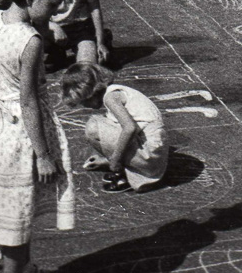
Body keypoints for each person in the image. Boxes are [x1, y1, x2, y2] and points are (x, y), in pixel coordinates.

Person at [0, 0, 75, 273]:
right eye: (54, 5)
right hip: (21, 135)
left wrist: (44, 24)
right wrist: (43, 155)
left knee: (12, 213)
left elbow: (17, 34)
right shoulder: (31, 42)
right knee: (18, 221)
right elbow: (28, 101)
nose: (58, 12)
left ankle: (23, 268)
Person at [61, 62, 168, 193]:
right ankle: (131, 167)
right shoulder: (116, 91)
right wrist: (105, 159)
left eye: (84, 101)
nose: (84, 105)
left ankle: (129, 175)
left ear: (92, 91)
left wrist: (115, 160)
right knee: (103, 122)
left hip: (150, 155)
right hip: (154, 152)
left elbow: (130, 128)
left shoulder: (110, 98)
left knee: (93, 127)